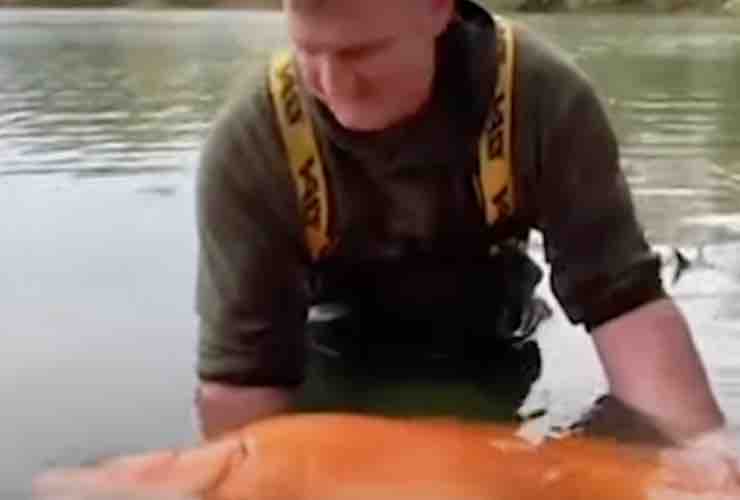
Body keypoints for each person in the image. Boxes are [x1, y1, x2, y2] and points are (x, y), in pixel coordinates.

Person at [193, 0, 730, 458]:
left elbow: (625, 306)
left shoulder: (544, 99)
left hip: (495, 352)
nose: (334, 86)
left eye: (362, 53)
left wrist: (702, 455)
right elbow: (243, 388)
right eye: (310, 52)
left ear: (438, 8)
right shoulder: (251, 145)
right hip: (334, 360)